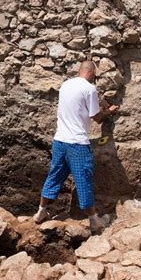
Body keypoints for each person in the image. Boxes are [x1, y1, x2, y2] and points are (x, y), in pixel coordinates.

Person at [33, 61, 119, 233]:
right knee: (83, 180)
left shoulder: (66, 85)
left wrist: (97, 102)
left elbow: (78, 106)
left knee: (54, 176)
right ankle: (94, 221)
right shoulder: (90, 89)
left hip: (60, 141)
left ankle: (41, 212)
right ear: (93, 73)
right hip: (77, 143)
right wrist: (109, 111)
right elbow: (96, 117)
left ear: (80, 70)